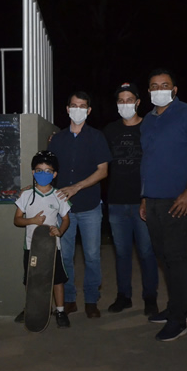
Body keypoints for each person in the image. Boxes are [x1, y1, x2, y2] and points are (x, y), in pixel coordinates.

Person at [140, 68, 187, 341]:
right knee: (163, 257)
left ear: (174, 89)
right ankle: (176, 307)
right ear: (148, 91)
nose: (159, 89)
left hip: (178, 199)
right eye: (154, 85)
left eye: (164, 85)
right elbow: (148, 160)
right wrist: (144, 197)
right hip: (153, 199)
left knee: (176, 257)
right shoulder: (148, 120)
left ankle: (179, 320)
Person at [48, 91, 112, 318]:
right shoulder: (57, 139)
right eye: (74, 105)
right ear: (67, 109)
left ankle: (92, 300)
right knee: (65, 256)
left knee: (92, 256)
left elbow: (103, 171)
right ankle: (69, 299)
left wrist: (77, 187)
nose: (78, 109)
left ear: (89, 110)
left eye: (82, 106)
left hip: (90, 206)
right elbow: (49, 171)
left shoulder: (97, 137)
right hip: (63, 208)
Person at [104, 82, 159, 314]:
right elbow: (96, 155)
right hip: (116, 201)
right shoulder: (110, 130)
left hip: (142, 201)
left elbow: (157, 162)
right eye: (121, 100)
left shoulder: (150, 126)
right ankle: (123, 296)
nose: (125, 104)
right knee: (121, 252)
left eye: (129, 100)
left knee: (146, 252)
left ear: (138, 102)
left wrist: (149, 195)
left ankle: (150, 297)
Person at [13, 151, 71, 328]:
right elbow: (17, 220)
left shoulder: (59, 196)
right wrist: (32, 221)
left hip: (53, 247)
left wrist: (59, 231)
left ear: (54, 174)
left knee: (57, 279)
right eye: (39, 170)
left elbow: (66, 219)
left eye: (48, 171)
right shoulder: (26, 195)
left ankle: (60, 311)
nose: (43, 174)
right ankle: (32, 308)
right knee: (32, 279)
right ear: (33, 172)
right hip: (31, 246)